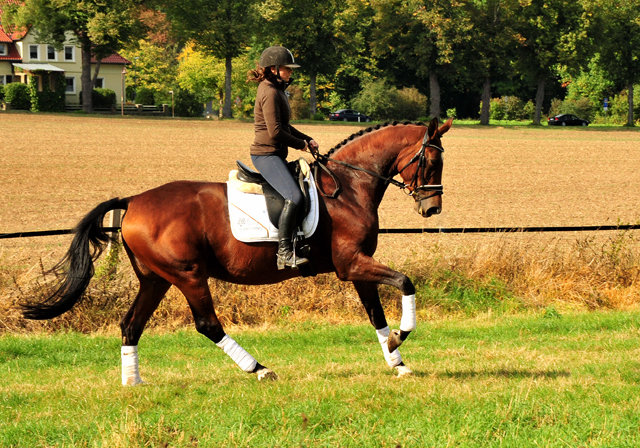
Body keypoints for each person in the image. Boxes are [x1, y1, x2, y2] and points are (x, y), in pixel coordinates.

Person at [247, 46, 320, 270]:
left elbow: (285, 126)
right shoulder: (268, 91)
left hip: (276, 154)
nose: (290, 72)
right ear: (274, 68)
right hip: (266, 155)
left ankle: (299, 243)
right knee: (294, 197)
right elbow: (275, 132)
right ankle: (284, 253)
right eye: (287, 68)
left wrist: (307, 138)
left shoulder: (276, 89)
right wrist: (301, 145)